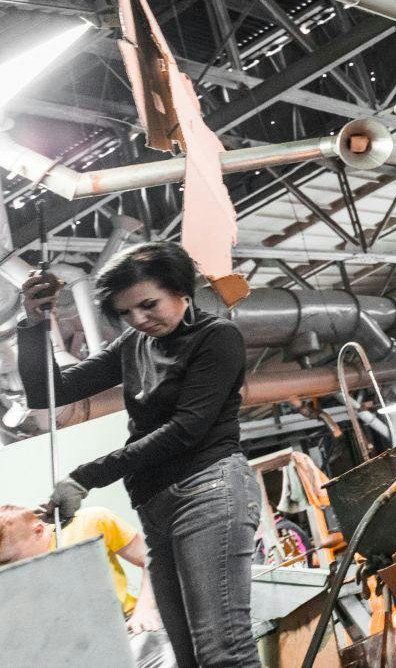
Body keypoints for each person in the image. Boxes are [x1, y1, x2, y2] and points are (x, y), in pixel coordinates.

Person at [18, 242, 259, 667]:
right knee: (187, 657)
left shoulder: (216, 337)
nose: (139, 320)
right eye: (126, 313)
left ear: (181, 290)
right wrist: (35, 323)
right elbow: (47, 392)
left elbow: (185, 431)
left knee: (223, 653)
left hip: (207, 489)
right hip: (155, 503)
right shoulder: (134, 345)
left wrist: (87, 475)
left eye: (149, 305)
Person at [0, 502, 175, 667]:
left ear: (38, 531)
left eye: (8, 561)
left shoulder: (92, 521)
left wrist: (144, 609)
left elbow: (152, 559)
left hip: (128, 629)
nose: (5, 569)